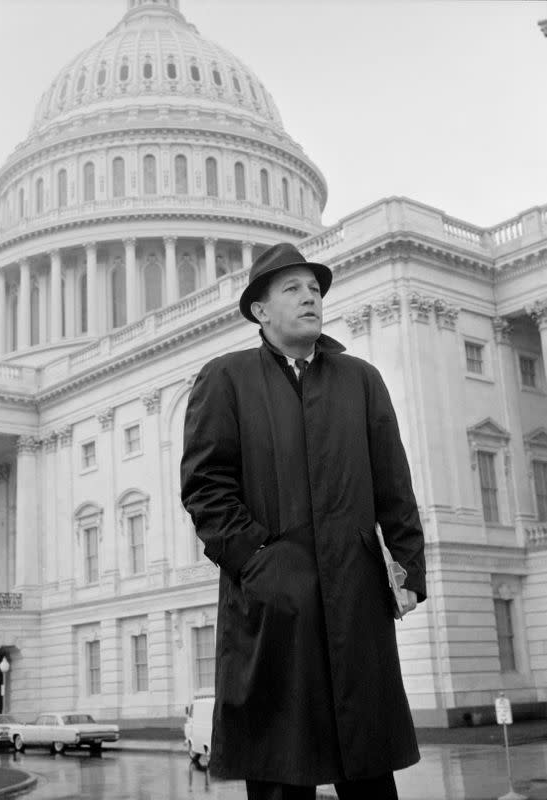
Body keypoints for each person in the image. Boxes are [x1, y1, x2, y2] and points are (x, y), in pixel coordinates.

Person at [180, 242, 427, 800]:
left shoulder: (361, 380)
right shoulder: (225, 378)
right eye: (292, 288)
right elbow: (205, 486)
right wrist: (261, 567)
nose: (310, 296)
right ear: (260, 310)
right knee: (281, 771)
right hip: (273, 607)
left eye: (314, 288)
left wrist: (408, 570)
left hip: (357, 598)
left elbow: (395, 486)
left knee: (368, 769)